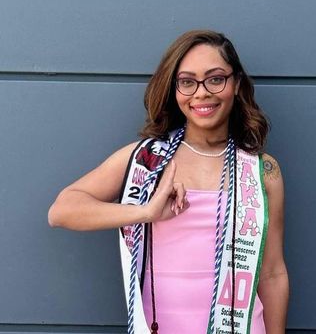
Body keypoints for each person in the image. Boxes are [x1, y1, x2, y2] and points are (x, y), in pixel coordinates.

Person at [49, 29, 288, 334]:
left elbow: (272, 273)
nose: (201, 93)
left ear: (236, 84)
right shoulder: (146, 160)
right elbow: (61, 210)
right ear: (174, 90)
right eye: (187, 82)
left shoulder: (262, 171)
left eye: (215, 79)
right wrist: (145, 212)